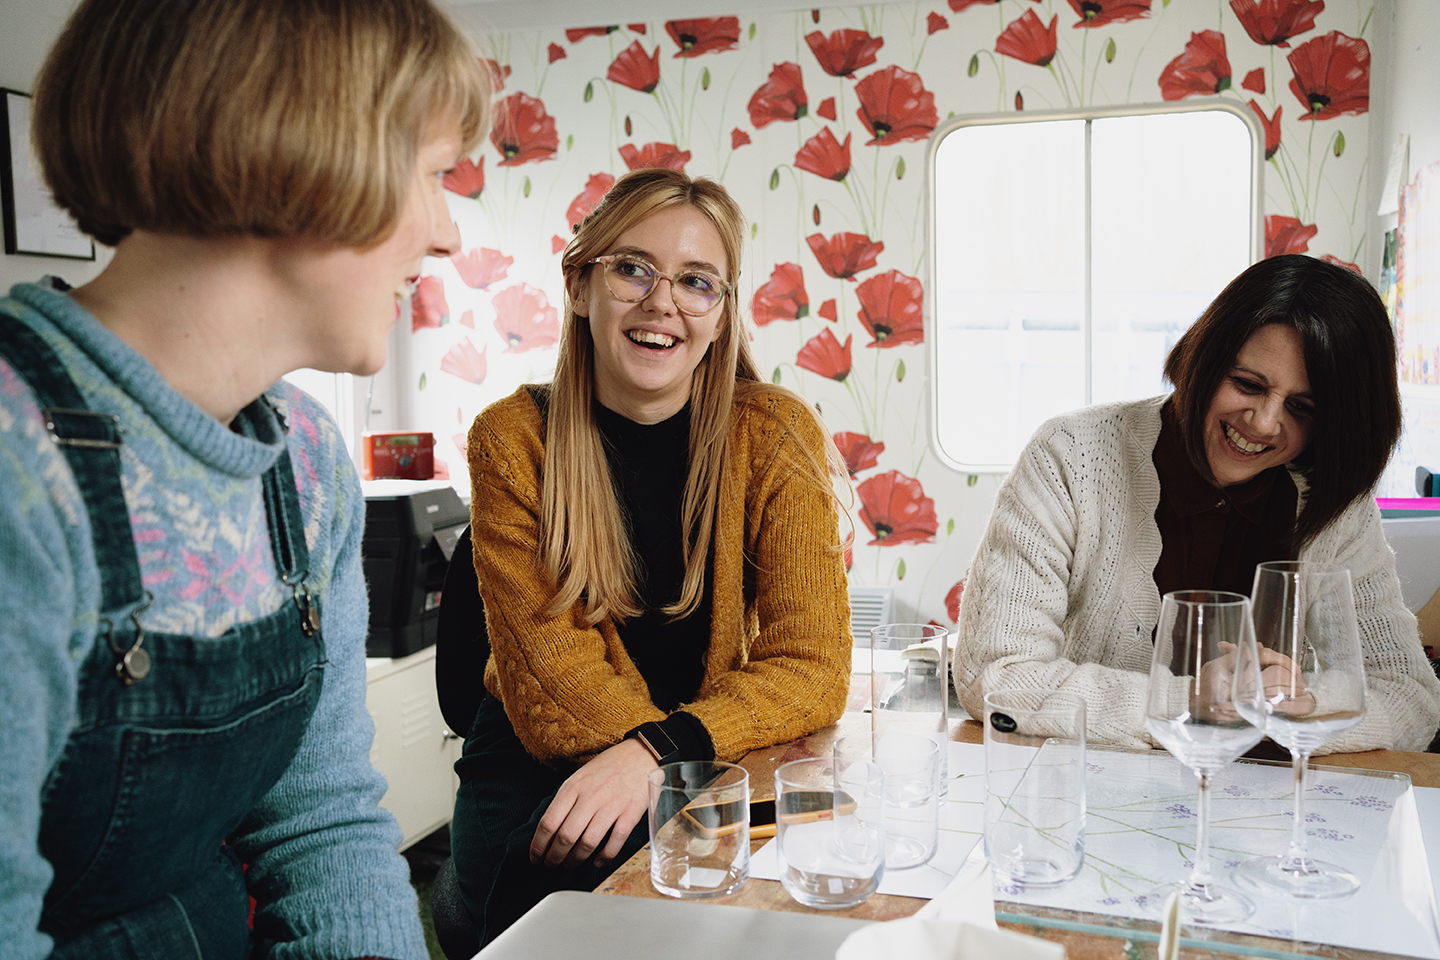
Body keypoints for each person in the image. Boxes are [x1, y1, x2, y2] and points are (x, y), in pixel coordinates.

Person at [0, 1, 489, 957]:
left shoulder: (305, 461)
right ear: (299, 152)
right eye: (433, 176)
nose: (448, 234)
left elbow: (324, 829)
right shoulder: (21, 470)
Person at [451, 168, 853, 944]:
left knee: (780, 907)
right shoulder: (512, 440)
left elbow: (813, 665)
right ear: (579, 285)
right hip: (541, 758)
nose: (662, 302)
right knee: (585, 919)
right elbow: (558, 681)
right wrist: (665, 772)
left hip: (694, 744)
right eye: (633, 268)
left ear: (720, 312)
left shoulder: (774, 433)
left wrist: (661, 756)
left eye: (697, 282)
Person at [952, 254, 1440, 754]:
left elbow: (1411, 697)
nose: (1264, 422)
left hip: (1261, 817)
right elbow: (995, 677)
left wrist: (1305, 705)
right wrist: (1191, 703)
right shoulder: (1070, 456)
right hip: (1087, 800)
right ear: (1202, 356)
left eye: (1302, 408)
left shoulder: (1337, 508)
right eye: (1248, 385)